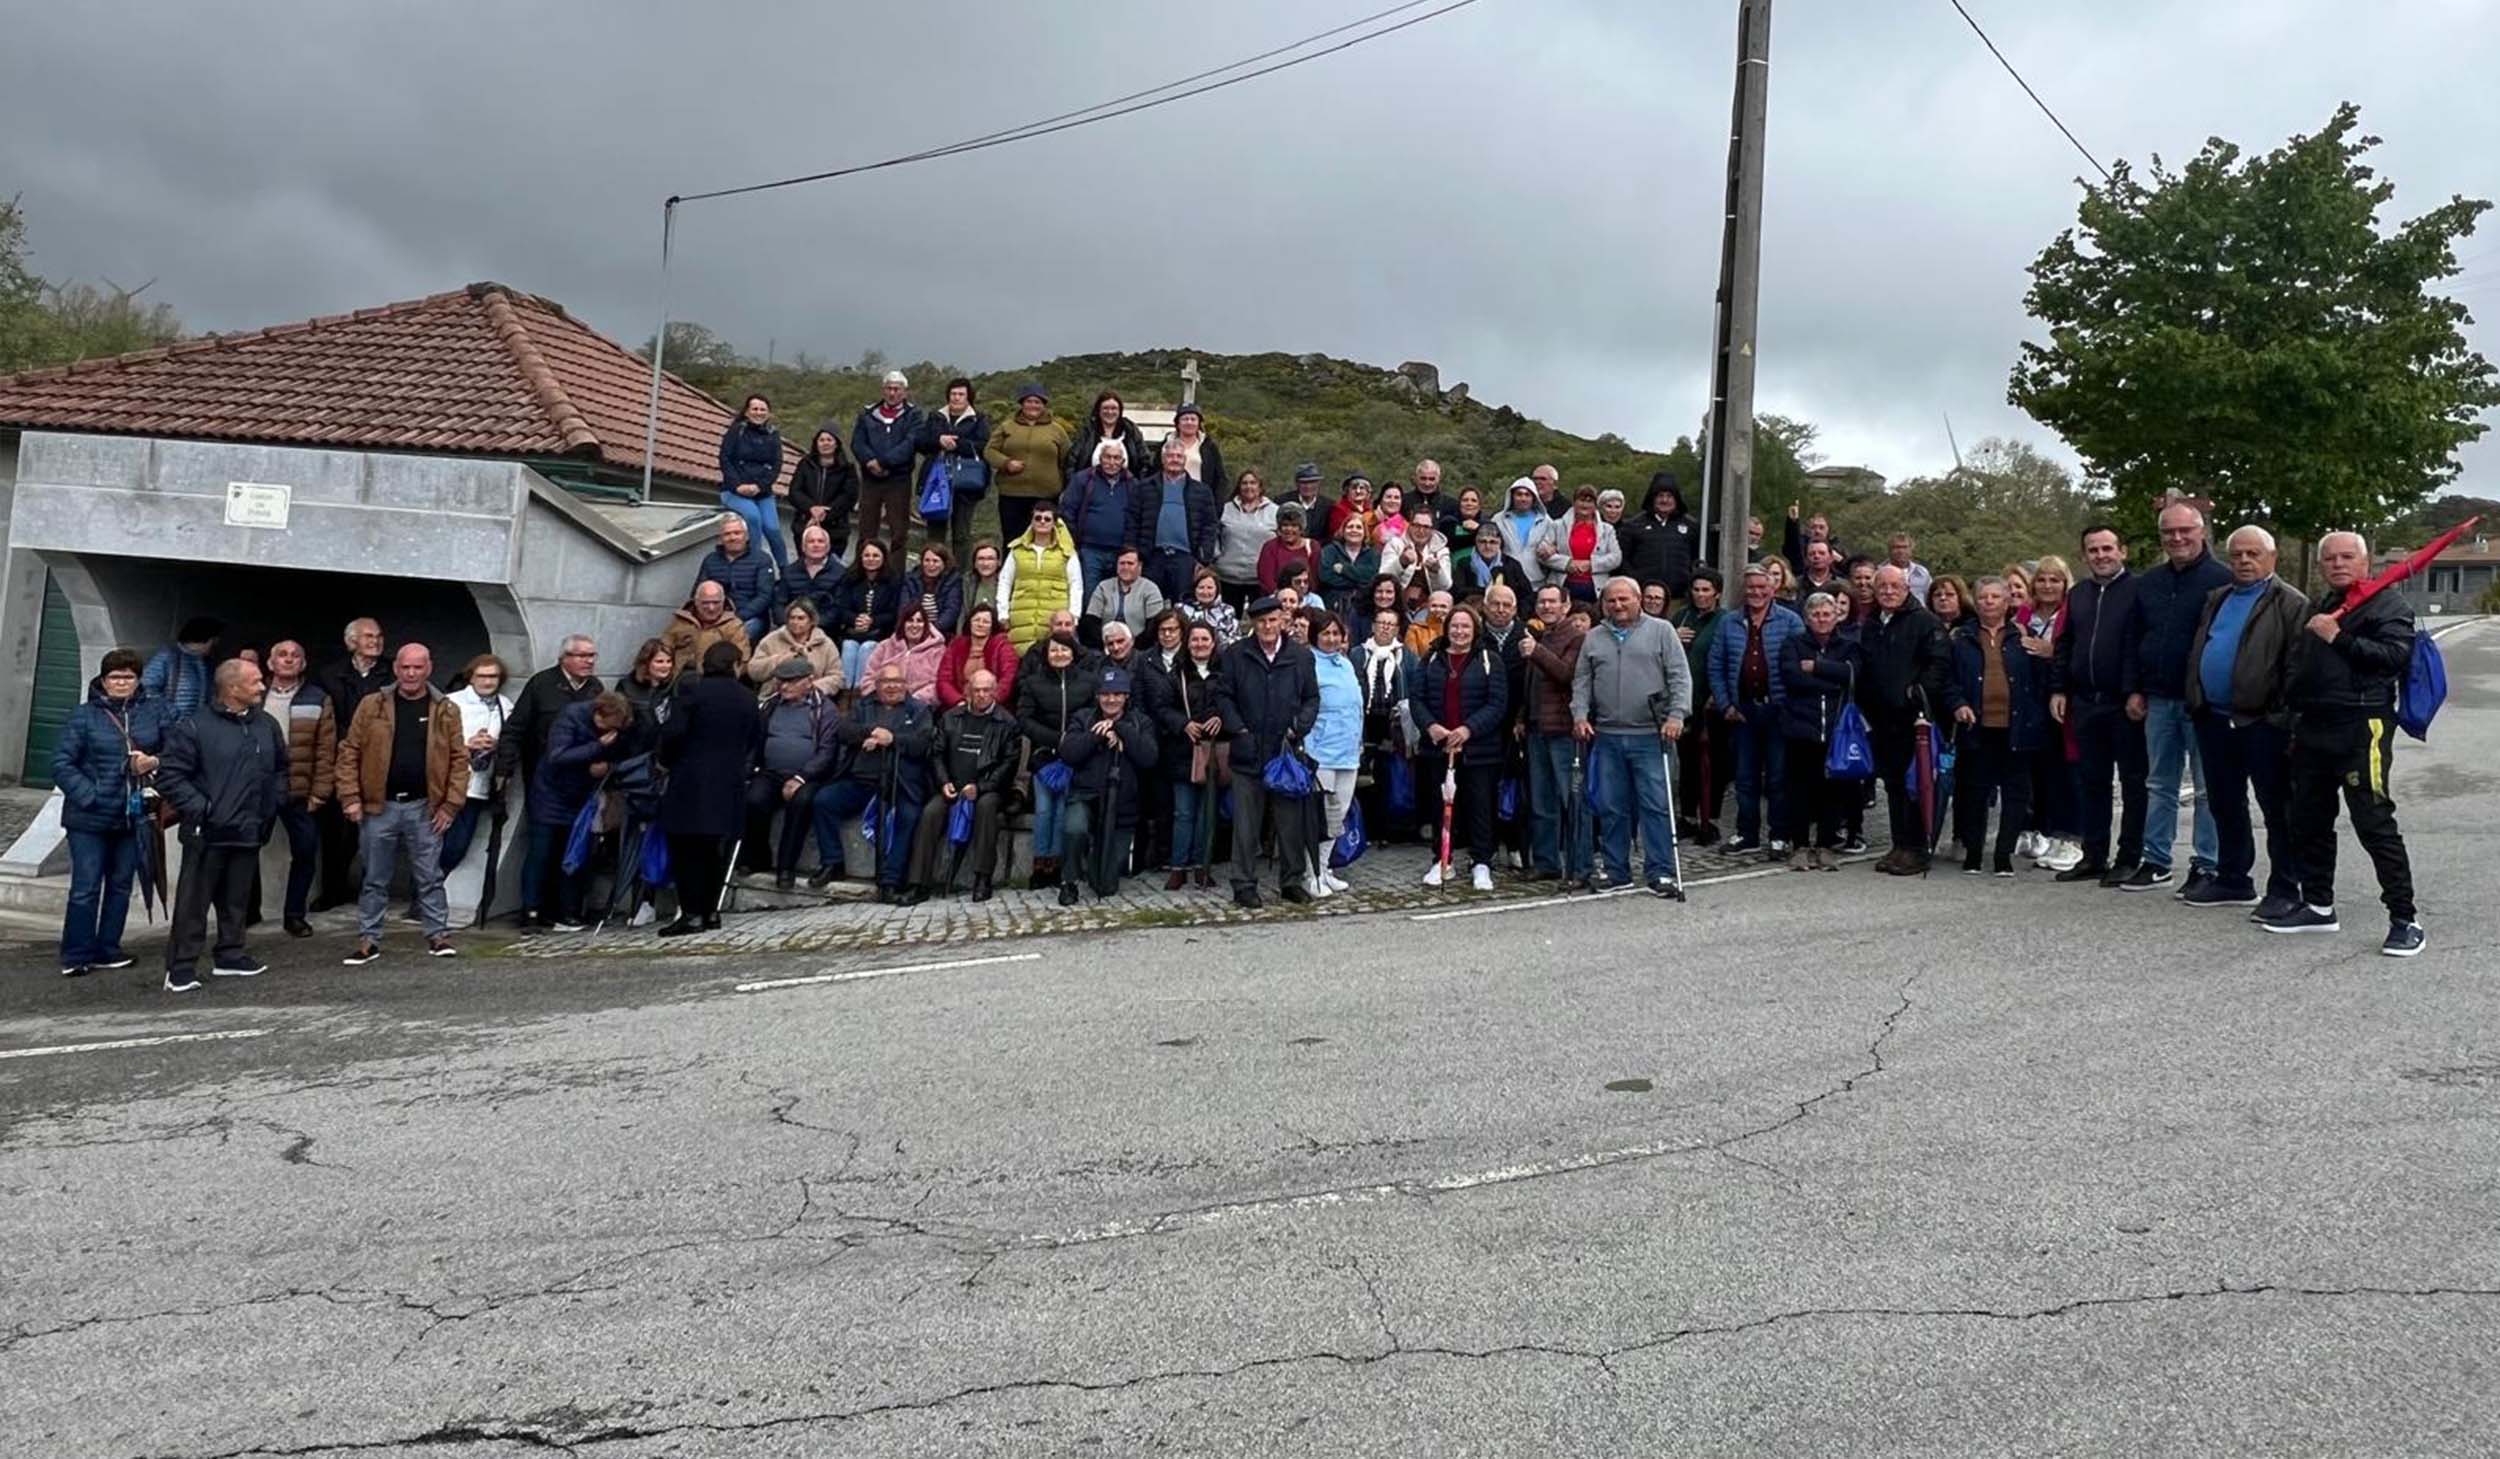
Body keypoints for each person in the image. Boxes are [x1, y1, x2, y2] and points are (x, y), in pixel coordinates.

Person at [2269, 532, 2422, 953]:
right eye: (2330, 558)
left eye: (2347, 557)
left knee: (2373, 822)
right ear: (2320, 566)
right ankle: (2319, 906)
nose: (2338, 564)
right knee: (2309, 821)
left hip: (2362, 726)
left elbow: (2394, 657)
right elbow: (2301, 664)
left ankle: (2405, 919)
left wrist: (2338, 637)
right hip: (2313, 727)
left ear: (2365, 560)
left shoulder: (2389, 604)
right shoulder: (2321, 605)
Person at [2184, 525, 2307, 916]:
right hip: (2215, 719)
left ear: (2272, 558)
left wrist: (2280, 719)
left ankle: (2287, 887)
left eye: (2254, 554)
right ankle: (2233, 878)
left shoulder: (2290, 603)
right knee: (2225, 803)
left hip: (2262, 723)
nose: (2244, 561)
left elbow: (2297, 668)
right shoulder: (2217, 598)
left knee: (2277, 808)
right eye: (2237, 554)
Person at [154, 658, 285, 991]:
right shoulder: (194, 726)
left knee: (237, 899)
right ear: (232, 687)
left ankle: (230, 954)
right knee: (193, 903)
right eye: (255, 681)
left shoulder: (266, 724)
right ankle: (181, 967)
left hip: (249, 828)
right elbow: (170, 775)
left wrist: (272, 804)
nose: (262, 686)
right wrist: (202, 808)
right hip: (207, 832)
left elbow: (280, 769)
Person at [335, 644, 464, 965]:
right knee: (374, 877)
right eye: (405, 667)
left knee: (429, 876)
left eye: (417, 668)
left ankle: (437, 934)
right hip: (378, 807)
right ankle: (368, 939)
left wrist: (451, 804)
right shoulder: (372, 705)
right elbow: (349, 751)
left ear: (429, 668)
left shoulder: (445, 709)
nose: (410, 674)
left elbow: (460, 760)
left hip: (426, 807)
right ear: (396, 669)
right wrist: (350, 797)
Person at [2134, 500, 2235, 897]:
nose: (2177, 538)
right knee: (2160, 783)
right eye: (2168, 532)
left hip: (2204, 703)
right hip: (2158, 699)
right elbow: (2134, 638)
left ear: (2202, 532)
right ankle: (2156, 860)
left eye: (2184, 531)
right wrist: (2135, 688)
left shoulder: (2224, 581)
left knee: (2209, 788)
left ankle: (2207, 864)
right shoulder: (2150, 583)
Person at [53, 648, 168, 977]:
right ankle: (76, 953)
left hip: (134, 816)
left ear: (138, 679)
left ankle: (108, 948)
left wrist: (154, 762)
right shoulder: (84, 715)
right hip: (88, 818)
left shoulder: (155, 711)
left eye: (128, 676)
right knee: (86, 887)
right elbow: (62, 764)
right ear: (103, 681)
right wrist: (90, 795)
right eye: (115, 677)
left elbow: (175, 745)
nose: (121, 682)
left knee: (120, 885)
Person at [1572, 578, 1691, 895]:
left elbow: (1679, 675)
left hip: (1651, 735)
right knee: (1612, 807)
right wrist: (1580, 715)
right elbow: (1582, 682)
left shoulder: (1662, 631)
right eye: (1611, 601)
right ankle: (1616, 871)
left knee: (1656, 805)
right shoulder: (1594, 637)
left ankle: (1661, 871)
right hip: (1608, 735)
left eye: (1623, 599)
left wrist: (1677, 714)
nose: (1617, 605)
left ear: (1638, 599)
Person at [2050, 524, 2146, 886]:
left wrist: (2138, 690)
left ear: (2122, 551)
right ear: (2084, 555)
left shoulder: (2139, 590)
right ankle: (2093, 855)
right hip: (2085, 702)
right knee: (2092, 782)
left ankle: (2129, 856)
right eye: (2093, 550)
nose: (2101, 556)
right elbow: (2064, 643)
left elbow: (2144, 643)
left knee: (2134, 784)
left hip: (2124, 703)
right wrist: (2059, 688)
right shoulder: (2077, 595)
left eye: (2107, 548)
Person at [1217, 595, 1320, 908]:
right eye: (1261, 621)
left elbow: (1311, 699)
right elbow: (1224, 697)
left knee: (1290, 823)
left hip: (1285, 750)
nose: (1267, 626)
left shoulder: (1301, 656)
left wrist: (1297, 728)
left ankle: (1291, 881)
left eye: (1273, 620)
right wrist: (1240, 730)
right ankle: (1244, 884)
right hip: (1248, 750)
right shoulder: (1236, 654)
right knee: (1246, 825)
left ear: (1283, 621)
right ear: (1253, 623)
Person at [657, 642, 763, 937]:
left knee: (686, 848)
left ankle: (691, 913)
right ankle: (711, 911)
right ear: (734, 664)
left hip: (690, 778)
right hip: (728, 779)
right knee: (714, 849)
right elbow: (755, 737)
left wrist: (665, 760)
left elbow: (673, 732)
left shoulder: (692, 691)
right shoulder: (747, 697)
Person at [810, 663, 935, 901]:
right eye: (886, 682)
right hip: (861, 780)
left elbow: (923, 743)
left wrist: (892, 739)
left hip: (901, 782)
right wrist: (871, 733)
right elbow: (844, 731)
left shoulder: (918, 710)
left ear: (905, 684)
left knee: (908, 816)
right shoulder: (864, 705)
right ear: (877, 685)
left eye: (897, 682)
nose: (891, 687)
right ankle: (832, 862)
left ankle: (891, 880)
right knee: (823, 801)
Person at [1945, 577, 2043, 877]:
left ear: (2006, 602)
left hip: (2016, 726)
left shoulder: (2023, 636)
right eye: (1983, 597)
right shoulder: (1961, 638)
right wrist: (1958, 703)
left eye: (1995, 597)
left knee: (2016, 793)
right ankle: (1974, 853)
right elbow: (1947, 680)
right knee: (1975, 791)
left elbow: (2041, 680)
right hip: (1977, 725)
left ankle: (2004, 854)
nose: (1989, 602)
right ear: (1976, 601)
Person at [1856, 566, 1951, 875]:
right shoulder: (1871, 624)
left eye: (1894, 585)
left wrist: (1915, 694)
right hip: (1882, 720)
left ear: (1907, 587)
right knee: (1893, 785)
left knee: (1917, 784)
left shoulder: (1925, 622)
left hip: (1914, 720)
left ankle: (1918, 848)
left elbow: (1938, 664)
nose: (1888, 591)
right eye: (1881, 586)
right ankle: (1899, 844)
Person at [1411, 602, 1510, 891]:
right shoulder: (1431, 659)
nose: (1459, 631)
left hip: (1479, 749)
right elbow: (1417, 699)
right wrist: (1431, 727)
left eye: (1465, 626)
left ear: (1475, 629)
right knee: (1439, 805)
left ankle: (1482, 862)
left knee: (1480, 806)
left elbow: (1497, 703)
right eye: (1454, 625)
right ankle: (1442, 859)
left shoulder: (1490, 660)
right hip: (1438, 748)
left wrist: (1468, 729)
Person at [1708, 563, 1804, 858]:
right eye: (1751, 587)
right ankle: (1746, 834)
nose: (1756, 592)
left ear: (1773, 588)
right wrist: (1726, 704)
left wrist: (1790, 705)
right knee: (1744, 777)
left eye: (1762, 587)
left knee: (1777, 777)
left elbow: (1801, 664)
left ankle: (1779, 835)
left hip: (1778, 710)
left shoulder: (1790, 621)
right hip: (1743, 711)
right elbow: (1716, 665)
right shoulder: (1729, 622)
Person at [1053, 667, 1160, 905]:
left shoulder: (1140, 722)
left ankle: (1095, 863)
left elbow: (1149, 757)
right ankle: (1068, 881)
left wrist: (1120, 730)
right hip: (1085, 796)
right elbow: (1068, 753)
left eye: (1117, 694)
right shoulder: (1083, 718)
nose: (1111, 700)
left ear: (1126, 696)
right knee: (1074, 827)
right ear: (1098, 696)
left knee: (1106, 885)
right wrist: (1096, 736)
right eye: (1105, 694)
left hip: (1123, 805)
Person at [527, 692, 631, 931]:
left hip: (582, 796)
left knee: (574, 851)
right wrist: (596, 748)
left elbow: (621, 754)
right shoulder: (571, 716)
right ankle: (532, 910)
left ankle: (567, 911)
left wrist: (608, 766)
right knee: (541, 854)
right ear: (598, 714)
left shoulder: (616, 727)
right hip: (551, 794)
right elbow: (557, 755)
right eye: (604, 726)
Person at [255, 639, 339, 937]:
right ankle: (247, 912)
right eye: (282, 655)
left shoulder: (317, 698)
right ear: (270, 663)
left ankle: (294, 915)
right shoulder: (254, 695)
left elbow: (326, 751)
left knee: (304, 853)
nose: (288, 660)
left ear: (303, 664)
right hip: (258, 791)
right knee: (246, 850)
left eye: (295, 656)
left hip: (299, 790)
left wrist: (320, 791)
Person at [313, 617, 391, 910]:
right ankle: (333, 890)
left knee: (378, 832)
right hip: (340, 760)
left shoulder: (392, 673)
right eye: (368, 636)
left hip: (380, 761)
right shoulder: (329, 674)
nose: (375, 641)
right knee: (334, 831)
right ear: (351, 642)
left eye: (379, 635)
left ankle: (373, 893)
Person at [1778, 592, 1860, 871]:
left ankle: (1826, 845)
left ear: (1836, 616)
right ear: (1806, 618)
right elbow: (1791, 677)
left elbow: (1854, 675)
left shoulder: (1849, 646)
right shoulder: (1793, 643)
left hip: (1837, 729)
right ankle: (1799, 845)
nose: (1822, 620)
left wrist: (1817, 667)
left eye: (1827, 614)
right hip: (1801, 727)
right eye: (1816, 615)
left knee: (1833, 790)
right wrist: (1832, 679)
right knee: (1799, 789)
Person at [743, 661, 840, 890]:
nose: (784, 686)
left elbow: (827, 752)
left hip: (808, 774)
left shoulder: (824, 709)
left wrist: (801, 777)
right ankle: (758, 857)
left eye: (790, 681)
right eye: (781, 681)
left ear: (808, 681)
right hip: (771, 772)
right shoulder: (771, 705)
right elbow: (757, 740)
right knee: (753, 800)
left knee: (802, 802)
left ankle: (786, 867)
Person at [1519, 587, 1592, 886]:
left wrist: (1537, 652)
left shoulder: (1576, 637)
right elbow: (1532, 685)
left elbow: (1568, 675)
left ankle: (1579, 868)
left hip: (1564, 731)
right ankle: (1547, 862)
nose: (1546, 606)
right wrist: (1522, 717)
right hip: (1537, 729)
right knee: (1542, 802)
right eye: (1541, 601)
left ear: (1566, 605)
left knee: (1573, 802)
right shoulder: (1542, 637)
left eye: (1552, 601)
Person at [2016, 555, 2081, 869]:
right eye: (2042, 579)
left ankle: (2070, 837)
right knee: (2037, 769)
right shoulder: (2023, 614)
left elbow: (2081, 652)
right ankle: (2041, 830)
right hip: (2030, 701)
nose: (2047, 585)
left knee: (2065, 769)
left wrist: (2051, 651)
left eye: (2054, 579)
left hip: (2063, 699)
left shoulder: (2073, 614)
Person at [1015, 634, 1094, 890]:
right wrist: (1055, 739)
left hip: (1075, 756)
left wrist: (1072, 740)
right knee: (1044, 810)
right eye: (1054, 650)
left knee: (1063, 811)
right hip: (1044, 755)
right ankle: (1041, 864)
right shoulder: (1033, 683)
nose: (1059, 654)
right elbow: (1025, 719)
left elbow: (1091, 716)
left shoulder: (1087, 682)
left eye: (1064, 650)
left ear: (1073, 653)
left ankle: (1060, 864)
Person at [1158, 621, 1230, 888]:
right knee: (1184, 813)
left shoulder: (1224, 674)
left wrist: (1221, 718)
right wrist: (1182, 723)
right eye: (1194, 640)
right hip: (1182, 751)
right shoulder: (1175, 675)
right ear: (1187, 644)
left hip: (1213, 751)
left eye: (1204, 640)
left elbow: (1233, 702)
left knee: (1207, 813)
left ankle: (1202, 865)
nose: (1199, 644)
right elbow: (1162, 708)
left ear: (1213, 643)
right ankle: (1179, 866)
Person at [1301, 611, 1364, 899]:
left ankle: (1326, 868)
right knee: (1320, 816)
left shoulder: (1346, 663)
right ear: (1315, 635)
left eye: (1336, 633)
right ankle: (1310, 872)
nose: (1331, 639)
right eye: (1325, 633)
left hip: (1348, 751)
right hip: (1321, 752)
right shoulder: (1308, 663)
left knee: (1337, 816)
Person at [1670, 570, 1730, 843]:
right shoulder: (1681, 617)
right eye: (1697, 589)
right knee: (1687, 762)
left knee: (1713, 764)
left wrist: (1720, 694)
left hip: (1712, 700)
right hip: (1685, 700)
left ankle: (1710, 819)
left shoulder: (1725, 620)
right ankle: (1688, 817)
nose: (1701, 595)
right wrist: (1672, 636)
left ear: (1716, 592)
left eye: (1706, 590)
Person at [437, 652, 508, 881]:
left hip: (479, 785)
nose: (488, 681)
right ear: (471, 677)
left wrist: (496, 745)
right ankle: (422, 896)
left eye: (493, 677)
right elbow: (435, 743)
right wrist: (467, 745)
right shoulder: (451, 702)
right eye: (482, 676)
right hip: (448, 785)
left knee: (457, 845)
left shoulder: (505, 705)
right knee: (434, 843)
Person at [1127, 436, 1221, 606]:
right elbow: (1133, 522)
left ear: (1185, 460)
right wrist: (1136, 555)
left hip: (1186, 559)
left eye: (1178, 456)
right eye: (1170, 456)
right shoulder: (1144, 487)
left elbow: (1210, 525)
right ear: (1163, 460)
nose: (1174, 460)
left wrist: (1203, 557)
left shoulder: (1201, 491)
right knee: (1150, 607)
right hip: (1152, 558)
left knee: (1184, 606)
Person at [984, 383, 1072, 547]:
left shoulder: (1057, 430)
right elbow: (989, 451)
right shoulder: (1007, 426)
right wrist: (1006, 463)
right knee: (1012, 540)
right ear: (1022, 403)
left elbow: (1068, 459)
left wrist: (1064, 486)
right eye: (1029, 401)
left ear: (1044, 405)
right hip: (1012, 495)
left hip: (1046, 496)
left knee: (1044, 539)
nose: (1033, 405)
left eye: (1037, 402)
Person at [917, 377, 990, 563]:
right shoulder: (935, 417)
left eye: (961, 394)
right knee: (935, 534)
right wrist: (938, 441)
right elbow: (920, 442)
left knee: (961, 534)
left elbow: (983, 447)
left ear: (968, 397)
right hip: (937, 480)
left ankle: (960, 576)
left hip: (965, 483)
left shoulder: (979, 419)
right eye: (953, 394)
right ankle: (933, 574)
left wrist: (957, 443)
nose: (956, 398)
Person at [850, 370, 923, 557]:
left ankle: (896, 579)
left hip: (899, 479)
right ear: (883, 390)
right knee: (866, 530)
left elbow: (910, 443)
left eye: (897, 389)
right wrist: (870, 462)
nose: (892, 393)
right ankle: (862, 576)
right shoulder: (867, 413)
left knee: (898, 532)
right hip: (870, 479)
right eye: (889, 389)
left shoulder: (913, 415)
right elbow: (857, 442)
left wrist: (884, 462)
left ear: (904, 392)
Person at [1060, 439, 1139, 600]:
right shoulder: (1083, 480)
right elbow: (1067, 512)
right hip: (1090, 550)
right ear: (1099, 459)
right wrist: (1076, 542)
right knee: (1091, 596)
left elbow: (1137, 517)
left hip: (1121, 552)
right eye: (1107, 457)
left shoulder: (1133, 484)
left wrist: (1131, 547)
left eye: (1117, 458)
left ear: (1123, 461)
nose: (1112, 462)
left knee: (1117, 598)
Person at [717, 394, 789, 572]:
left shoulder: (773, 435)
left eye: (762, 409)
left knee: (772, 529)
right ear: (747, 412)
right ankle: (754, 563)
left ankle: (785, 569)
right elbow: (725, 459)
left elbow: (776, 464)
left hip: (762, 493)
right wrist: (738, 486)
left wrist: (759, 487)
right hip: (734, 492)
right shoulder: (736, 431)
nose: (759, 412)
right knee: (753, 518)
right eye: (755, 409)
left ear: (769, 413)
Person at [999, 501, 1083, 652]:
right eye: (1038, 518)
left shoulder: (1067, 552)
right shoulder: (1016, 550)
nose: (1042, 521)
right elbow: (1005, 582)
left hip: (1054, 619)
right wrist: (1003, 613)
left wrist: (1074, 617)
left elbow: (1076, 585)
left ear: (1054, 523)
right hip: (1021, 617)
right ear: (1031, 521)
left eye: (1047, 518)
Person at [826, 540, 899, 687]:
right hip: (852, 630)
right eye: (866, 555)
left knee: (867, 648)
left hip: (880, 632)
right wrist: (855, 619)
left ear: (883, 558)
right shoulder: (850, 578)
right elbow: (841, 607)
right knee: (849, 646)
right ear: (860, 557)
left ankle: (861, 690)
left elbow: (893, 612)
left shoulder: (893, 581)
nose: (871, 559)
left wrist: (872, 621)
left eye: (875, 556)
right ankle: (845, 690)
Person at [697, 515, 780, 644]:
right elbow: (698, 592)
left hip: (750, 618)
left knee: (736, 637)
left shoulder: (762, 559)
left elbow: (765, 596)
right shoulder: (710, 560)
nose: (733, 538)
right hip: (713, 616)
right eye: (727, 534)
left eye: (737, 533)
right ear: (720, 539)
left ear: (746, 536)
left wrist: (738, 617)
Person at [1619, 474, 1702, 600]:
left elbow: (1697, 559)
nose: (1665, 500)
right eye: (1660, 496)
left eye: (1669, 496)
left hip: (1679, 598)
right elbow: (1623, 560)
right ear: (1652, 498)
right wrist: (1636, 581)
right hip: (1644, 598)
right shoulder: (1633, 525)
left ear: (1676, 499)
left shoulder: (1691, 526)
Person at [746, 598, 845, 702]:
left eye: (801, 618)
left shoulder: (826, 644)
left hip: (812, 700)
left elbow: (837, 677)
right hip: (775, 699)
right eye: (792, 618)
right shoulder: (771, 640)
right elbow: (754, 670)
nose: (795, 622)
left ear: (812, 621)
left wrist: (810, 686)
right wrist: (778, 660)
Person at [1536, 487, 1623, 602]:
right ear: (1574, 502)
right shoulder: (1557, 526)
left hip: (1595, 588)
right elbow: (1541, 553)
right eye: (1581, 500)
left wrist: (1591, 564)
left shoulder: (1607, 530)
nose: (1585, 505)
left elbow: (1616, 558)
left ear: (1595, 505)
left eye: (1589, 501)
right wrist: (1567, 563)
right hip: (1562, 586)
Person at [784, 425, 856, 562]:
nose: (825, 443)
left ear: (837, 444)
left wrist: (825, 513)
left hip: (836, 529)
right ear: (816, 443)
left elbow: (849, 496)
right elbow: (795, 491)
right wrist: (811, 508)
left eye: (829, 440)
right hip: (805, 525)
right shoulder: (805, 464)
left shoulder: (847, 469)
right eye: (821, 440)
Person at [663, 580, 753, 689]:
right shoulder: (680, 621)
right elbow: (664, 648)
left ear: (724, 601)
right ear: (696, 602)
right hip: (676, 681)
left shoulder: (734, 626)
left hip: (714, 685)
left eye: (716, 602)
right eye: (705, 603)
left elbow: (742, 662)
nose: (711, 608)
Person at [1215, 470, 1279, 609]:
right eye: (1244, 483)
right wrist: (1216, 557)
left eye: (1253, 483)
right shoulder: (1225, 509)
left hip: (1260, 579)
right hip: (1228, 576)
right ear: (1238, 486)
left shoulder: (1274, 511)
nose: (1248, 487)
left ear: (1260, 487)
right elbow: (1214, 535)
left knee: (1262, 618)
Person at [938, 602, 1019, 709]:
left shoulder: (1003, 646)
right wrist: (958, 701)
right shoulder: (956, 645)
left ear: (992, 626)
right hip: (960, 705)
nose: (980, 624)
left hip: (993, 707)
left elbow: (1009, 677)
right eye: (976, 620)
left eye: (986, 622)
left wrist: (991, 701)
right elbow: (944, 679)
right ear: (970, 622)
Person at [865, 604, 948, 705]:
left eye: (919, 621)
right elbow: (869, 678)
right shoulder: (885, 646)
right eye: (910, 620)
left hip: (921, 706)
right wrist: (884, 696)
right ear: (902, 623)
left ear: (926, 625)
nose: (914, 625)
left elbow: (939, 685)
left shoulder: (938, 650)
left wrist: (914, 700)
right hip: (883, 704)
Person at [142, 616, 221, 719]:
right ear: (208, 640)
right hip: (171, 727)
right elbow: (146, 688)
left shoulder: (207, 664)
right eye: (215, 641)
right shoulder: (168, 656)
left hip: (196, 727)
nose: (217, 645)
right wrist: (170, 713)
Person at [1065, 390, 1149, 483]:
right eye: (1105, 408)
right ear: (1098, 410)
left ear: (1120, 411)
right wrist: (1074, 486)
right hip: (1090, 489)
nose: (1110, 412)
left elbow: (1145, 461)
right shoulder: (1088, 431)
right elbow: (1071, 461)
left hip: (1126, 489)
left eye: (1114, 408)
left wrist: (1140, 486)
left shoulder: (1130, 430)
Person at [772, 523, 846, 629]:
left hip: (824, 631)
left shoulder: (841, 573)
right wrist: (792, 625)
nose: (816, 545)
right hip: (790, 629)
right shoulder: (788, 572)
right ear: (803, 547)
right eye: (811, 541)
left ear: (828, 547)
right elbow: (778, 605)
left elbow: (838, 609)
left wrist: (810, 626)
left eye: (820, 541)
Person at [1086, 547, 1169, 641]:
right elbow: (1091, 620)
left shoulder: (1150, 589)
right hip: (1106, 644)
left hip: (1140, 646)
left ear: (1140, 566)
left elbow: (1154, 625)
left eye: (1130, 564)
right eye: (1122, 563)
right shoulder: (1103, 587)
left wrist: (1131, 645)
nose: (1125, 567)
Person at [615, 640, 678, 754]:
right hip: (635, 753)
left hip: (665, 754)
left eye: (669, 661)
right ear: (646, 662)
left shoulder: (675, 686)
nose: (665, 666)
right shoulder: (626, 686)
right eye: (659, 661)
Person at [1318, 513, 1381, 618]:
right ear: (1343, 530)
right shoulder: (1330, 550)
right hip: (1333, 604)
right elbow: (1326, 576)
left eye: (1359, 527)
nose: (1354, 530)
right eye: (1350, 527)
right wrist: (1359, 580)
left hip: (1362, 606)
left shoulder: (1373, 554)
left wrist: (1344, 569)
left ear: (1365, 532)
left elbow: (1371, 578)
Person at [1457, 521, 1536, 604]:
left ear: (1500, 543)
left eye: (1493, 542)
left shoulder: (1512, 565)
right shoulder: (1464, 564)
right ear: (1476, 543)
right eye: (1482, 542)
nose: (1487, 546)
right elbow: (1459, 592)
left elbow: (1527, 595)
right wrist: (1488, 590)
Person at [903, 542, 964, 637]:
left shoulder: (953, 580)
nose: (931, 565)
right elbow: (904, 608)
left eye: (935, 561)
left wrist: (930, 631)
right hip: (912, 630)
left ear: (944, 563)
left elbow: (951, 611)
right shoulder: (910, 579)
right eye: (927, 560)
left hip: (940, 633)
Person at [1258, 505, 1317, 596]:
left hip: (1305, 598)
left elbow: (1315, 579)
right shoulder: (1270, 547)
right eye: (1285, 525)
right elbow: (1266, 579)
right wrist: (1284, 597)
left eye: (1294, 525)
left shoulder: (1312, 547)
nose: (1289, 529)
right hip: (1276, 598)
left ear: (1301, 528)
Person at [1781, 503, 1846, 579]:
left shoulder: (1837, 547)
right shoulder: (1801, 546)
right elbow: (1792, 545)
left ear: (1828, 529)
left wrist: (1841, 561)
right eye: (1813, 527)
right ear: (1808, 530)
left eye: (1821, 527)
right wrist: (1793, 522)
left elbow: (1849, 570)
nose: (1817, 531)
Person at [1495, 479, 1547, 572]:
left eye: (1527, 495)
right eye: (1519, 494)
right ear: (1512, 497)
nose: (1523, 498)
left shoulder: (1546, 521)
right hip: (1507, 576)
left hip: (1537, 579)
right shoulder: (1499, 520)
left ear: (1534, 498)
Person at [961, 540, 1008, 625]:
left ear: (998, 562)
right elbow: (963, 615)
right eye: (981, 559)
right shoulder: (967, 584)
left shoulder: (1006, 584)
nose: (985, 563)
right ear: (975, 563)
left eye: (990, 559)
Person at [1284, 463, 1335, 531]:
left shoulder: (1329, 505)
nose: (1308, 486)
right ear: (1297, 483)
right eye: (1304, 483)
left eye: (1312, 482)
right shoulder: (1284, 502)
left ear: (1319, 483)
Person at [1887, 533, 1933, 604]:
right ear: (1890, 550)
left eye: (1904, 547)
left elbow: (1931, 597)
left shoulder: (1922, 573)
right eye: (1896, 547)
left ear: (1911, 550)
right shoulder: (1880, 572)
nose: (1901, 551)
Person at [1445, 486, 1487, 561]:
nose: (1469, 503)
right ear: (1459, 504)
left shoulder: (1488, 524)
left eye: (1473, 501)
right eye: (1465, 500)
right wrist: (1478, 533)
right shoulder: (1448, 522)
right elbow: (1453, 543)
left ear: (1479, 506)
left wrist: (1478, 528)